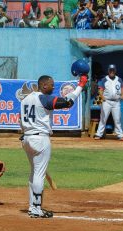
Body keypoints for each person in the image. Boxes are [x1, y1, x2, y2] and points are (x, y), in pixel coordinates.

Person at [20, 74, 88, 218]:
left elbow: (20, 119)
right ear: (44, 85)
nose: (53, 87)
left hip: (27, 138)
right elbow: (68, 102)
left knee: (33, 173)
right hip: (40, 139)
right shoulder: (43, 98)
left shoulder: (25, 99)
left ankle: (33, 206)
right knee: (39, 174)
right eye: (51, 84)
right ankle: (37, 209)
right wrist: (80, 86)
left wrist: (26, 131)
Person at [94, 64, 123, 141]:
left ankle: (120, 135)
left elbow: (122, 89)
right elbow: (100, 89)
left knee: (117, 119)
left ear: (115, 71)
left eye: (113, 70)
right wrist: (102, 96)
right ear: (108, 71)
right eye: (110, 70)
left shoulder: (119, 79)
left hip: (116, 101)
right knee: (103, 118)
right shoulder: (104, 79)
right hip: (107, 101)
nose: (112, 72)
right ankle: (98, 134)